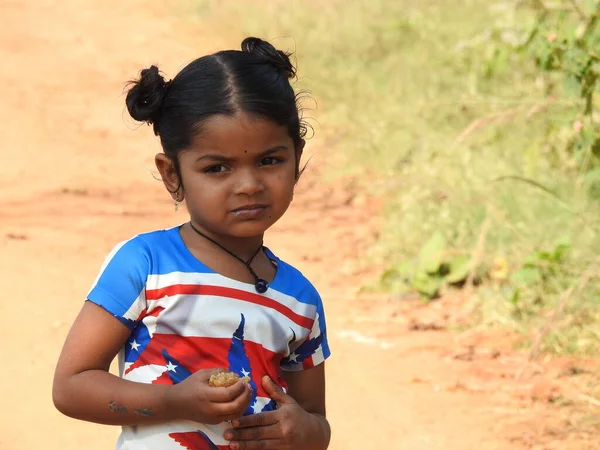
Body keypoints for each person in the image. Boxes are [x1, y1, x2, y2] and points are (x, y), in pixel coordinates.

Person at [52, 37, 331, 450]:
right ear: (172, 174)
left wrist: (300, 431)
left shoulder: (300, 300)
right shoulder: (146, 264)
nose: (249, 185)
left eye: (270, 161)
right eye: (217, 168)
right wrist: (172, 400)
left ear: (297, 156)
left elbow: (316, 421)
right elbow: (72, 386)